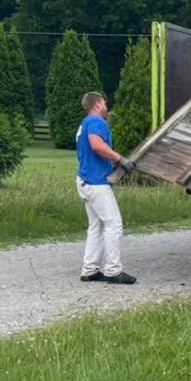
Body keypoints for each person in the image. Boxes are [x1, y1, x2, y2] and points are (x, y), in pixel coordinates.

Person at [75, 91, 137, 285]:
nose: (106, 106)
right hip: (96, 183)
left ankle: (90, 270)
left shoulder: (85, 122)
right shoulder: (95, 122)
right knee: (113, 224)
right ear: (96, 105)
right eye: (104, 103)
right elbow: (96, 145)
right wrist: (121, 159)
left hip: (86, 181)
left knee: (97, 226)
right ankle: (113, 271)